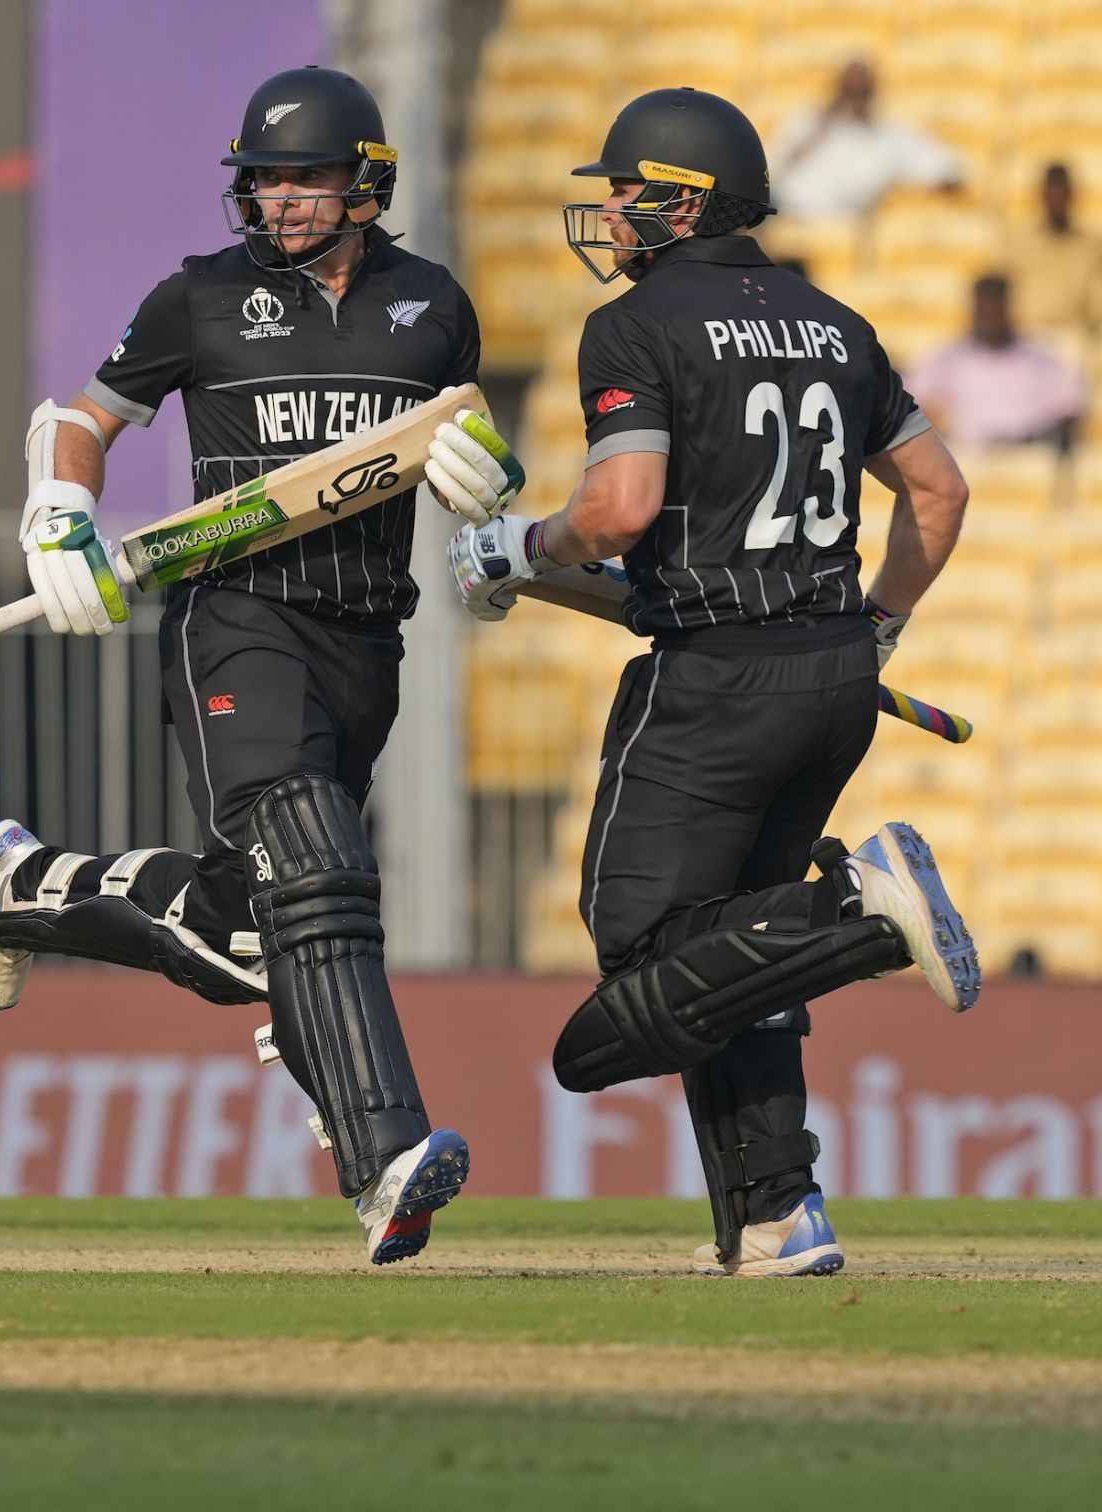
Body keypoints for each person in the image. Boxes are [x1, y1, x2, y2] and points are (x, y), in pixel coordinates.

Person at [0, 66, 524, 1265]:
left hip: (366, 637)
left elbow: (465, 451)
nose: (278, 199)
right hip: (239, 622)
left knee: (252, 930)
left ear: (365, 183)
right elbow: (84, 418)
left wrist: (483, 506)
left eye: (304, 178)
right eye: (263, 179)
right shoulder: (199, 298)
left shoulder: (433, 307)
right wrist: (59, 512)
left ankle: (32, 887)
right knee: (319, 872)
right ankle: (382, 1159)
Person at [449, 88, 980, 1278]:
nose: (613, 214)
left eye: (628, 193)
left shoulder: (635, 325)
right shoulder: (836, 324)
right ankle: (777, 1210)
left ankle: (851, 910)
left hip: (717, 679)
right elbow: (937, 494)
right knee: (723, 952)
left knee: (639, 946)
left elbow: (618, 510)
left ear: (683, 201)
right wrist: (878, 624)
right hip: (832, 676)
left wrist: (516, 549)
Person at [907, 273, 1087, 451]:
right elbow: (913, 405)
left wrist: (1038, 439)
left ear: (1008, 308)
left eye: (996, 309)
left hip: (1028, 457)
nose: (990, 317)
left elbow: (1069, 410)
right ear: (974, 309)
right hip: (966, 458)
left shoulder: (1040, 359)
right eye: (985, 310)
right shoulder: (947, 359)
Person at [769, 60, 964, 221]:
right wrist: (820, 127)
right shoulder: (807, 122)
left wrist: (903, 197)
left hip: (845, 227)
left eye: (862, 92)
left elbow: (947, 169)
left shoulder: (890, 136)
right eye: (849, 91)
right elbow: (774, 168)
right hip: (789, 214)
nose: (856, 101)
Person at [1006, 164, 1102, 336]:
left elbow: (1097, 305)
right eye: (1052, 192)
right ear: (1042, 196)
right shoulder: (1018, 245)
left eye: (1062, 193)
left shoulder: (1091, 247)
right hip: (1027, 335)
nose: (1056, 199)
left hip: (1074, 337)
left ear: (1072, 196)